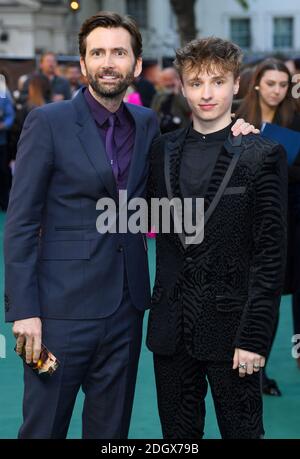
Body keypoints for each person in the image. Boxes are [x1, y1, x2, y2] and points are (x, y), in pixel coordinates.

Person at [4, 12, 257, 439]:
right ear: (83, 64)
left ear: (136, 65)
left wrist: (234, 133)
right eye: (97, 52)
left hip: (126, 308)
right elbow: (21, 222)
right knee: (44, 429)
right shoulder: (47, 122)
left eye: (118, 52)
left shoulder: (146, 125)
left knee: (111, 433)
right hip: (60, 309)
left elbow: (177, 182)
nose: (108, 62)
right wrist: (24, 310)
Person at [146, 37, 288, 439]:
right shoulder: (161, 151)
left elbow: (270, 255)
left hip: (234, 333)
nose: (206, 93)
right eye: (195, 82)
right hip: (170, 331)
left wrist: (255, 337)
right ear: (182, 87)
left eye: (217, 81)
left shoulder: (262, 153)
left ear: (236, 85)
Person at [237, 58, 300, 380]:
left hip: (289, 219)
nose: (277, 90)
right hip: (242, 221)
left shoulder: (296, 118)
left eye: (283, 85)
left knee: (270, 295)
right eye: (271, 83)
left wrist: (272, 167)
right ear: (258, 82)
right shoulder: (236, 115)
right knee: (245, 295)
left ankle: (261, 370)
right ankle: (246, 367)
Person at [0, 80, 15, 210]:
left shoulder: (3, 94)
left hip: (2, 142)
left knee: (3, 172)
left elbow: (10, 115)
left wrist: (3, 125)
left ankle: (5, 202)